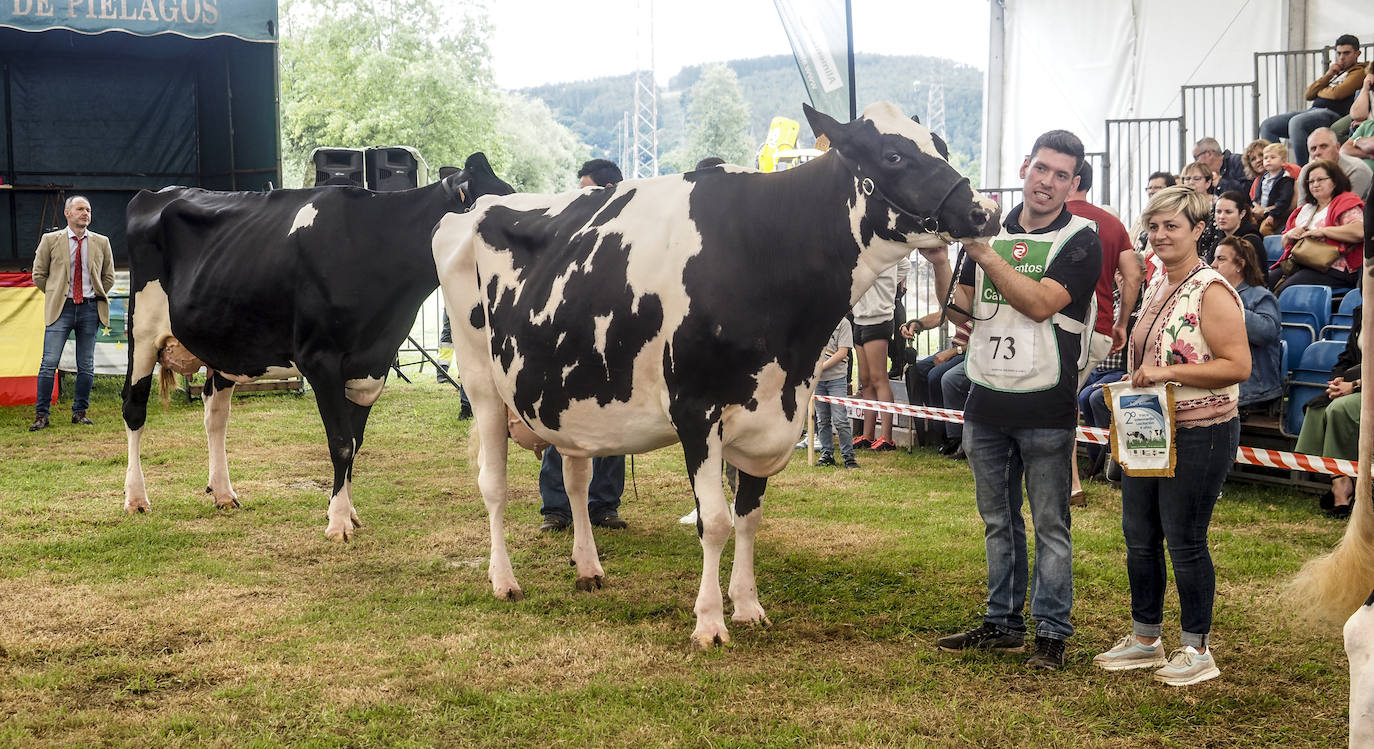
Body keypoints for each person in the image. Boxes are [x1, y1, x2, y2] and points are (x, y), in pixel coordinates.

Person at [926, 130, 1102, 670]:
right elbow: (959, 312)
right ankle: (1001, 622)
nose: (1046, 182)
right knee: (998, 522)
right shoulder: (992, 233)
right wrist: (941, 261)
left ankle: (1052, 633)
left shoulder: (1081, 238)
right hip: (986, 399)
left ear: (1074, 184)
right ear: (1025, 167)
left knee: (1051, 524)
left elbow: (1038, 304)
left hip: (1046, 404)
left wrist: (980, 250)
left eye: (1060, 175)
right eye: (1040, 168)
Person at [1093, 185, 1250, 686]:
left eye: (1172, 227)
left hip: (1201, 431)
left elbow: (1237, 366)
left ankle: (1197, 648)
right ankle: (1145, 638)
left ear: (1199, 231)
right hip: (1150, 427)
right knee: (1139, 537)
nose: (1159, 236)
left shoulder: (1212, 289)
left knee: (1184, 539)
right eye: (1154, 226)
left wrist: (1163, 374)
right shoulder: (1161, 281)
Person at [539, 159, 629, 533]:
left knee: (615, 423)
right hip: (571, 340)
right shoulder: (568, 233)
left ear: (608, 191)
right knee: (560, 422)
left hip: (617, 341)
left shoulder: (630, 234)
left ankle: (603, 505)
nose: (579, 197)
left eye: (587, 189)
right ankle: (556, 508)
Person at [1067, 161, 1141, 504]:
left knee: (1057, 406)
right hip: (1098, 330)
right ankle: (1069, 481)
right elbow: (1134, 275)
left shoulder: (1049, 214)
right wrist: (1122, 322)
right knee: (1063, 402)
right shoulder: (1112, 223)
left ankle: (1070, 483)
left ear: (1072, 178)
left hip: (1052, 325)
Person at [28, 195, 115, 431]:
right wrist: (56, 293)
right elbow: (38, 274)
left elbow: (108, 277)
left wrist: (93, 294)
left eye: (88, 209)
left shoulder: (101, 242)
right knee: (49, 363)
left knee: (86, 365)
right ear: (67, 213)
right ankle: (41, 415)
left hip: (89, 308)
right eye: (80, 209)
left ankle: (80, 412)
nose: (85, 213)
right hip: (61, 308)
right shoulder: (50, 240)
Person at [1294, 309, 1363, 518]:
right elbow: (1348, 357)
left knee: (1338, 409)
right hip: (1356, 385)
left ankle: (1347, 484)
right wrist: (1339, 380)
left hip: (1365, 388)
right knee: (1317, 409)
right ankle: (1340, 481)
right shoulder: (1363, 311)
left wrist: (1356, 385)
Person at [1259, 35, 1367, 166]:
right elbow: (1309, 93)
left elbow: (1338, 93)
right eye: (1338, 53)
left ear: (1357, 54)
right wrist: (1328, 75)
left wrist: (1320, 91)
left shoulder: (1360, 72)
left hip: (1332, 114)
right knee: (1268, 125)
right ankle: (1278, 168)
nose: (1341, 57)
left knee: (1296, 122)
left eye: (1346, 53)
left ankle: (1303, 170)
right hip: (1313, 111)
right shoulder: (1336, 72)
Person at [1268, 159, 1366, 293]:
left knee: (1289, 289)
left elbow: (1360, 232)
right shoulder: (1305, 209)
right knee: (1263, 282)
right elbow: (1285, 244)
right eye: (1311, 181)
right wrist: (1289, 235)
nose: (1315, 185)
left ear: (1335, 181)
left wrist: (1323, 232)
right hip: (1302, 263)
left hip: (1335, 268)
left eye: (1320, 180)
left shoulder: (1346, 202)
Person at [1210, 236, 1282, 413]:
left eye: (1220, 259)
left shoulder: (1260, 296)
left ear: (1239, 265)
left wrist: (1231, 307)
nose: (1213, 265)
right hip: (1221, 388)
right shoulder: (1213, 297)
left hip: (1253, 391)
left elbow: (1266, 332)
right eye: (1214, 258)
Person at [850, 254, 911, 452]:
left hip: (878, 317)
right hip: (860, 318)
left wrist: (886, 288)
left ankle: (886, 437)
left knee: (879, 378)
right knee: (866, 380)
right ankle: (867, 435)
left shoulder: (886, 250)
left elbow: (904, 265)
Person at [901, 316, 971, 454]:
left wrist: (953, 352)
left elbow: (984, 341)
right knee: (917, 371)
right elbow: (941, 315)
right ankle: (938, 429)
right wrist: (916, 324)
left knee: (939, 376)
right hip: (957, 349)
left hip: (971, 353)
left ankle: (955, 438)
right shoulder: (962, 299)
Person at [814, 318, 858, 469]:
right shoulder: (816, 323)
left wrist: (820, 367)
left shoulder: (843, 324)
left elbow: (842, 352)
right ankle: (827, 453)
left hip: (836, 378)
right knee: (822, 420)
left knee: (840, 420)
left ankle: (849, 457)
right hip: (818, 381)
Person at [1296, 127, 1372, 202]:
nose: (1317, 153)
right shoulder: (1306, 171)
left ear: (1337, 147)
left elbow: (1346, 207)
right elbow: (1302, 208)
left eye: (1323, 146)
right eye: (1313, 149)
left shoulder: (1356, 170)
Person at [1178, 162, 1224, 263]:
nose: (1191, 182)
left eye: (1196, 179)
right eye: (1187, 179)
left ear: (1208, 182)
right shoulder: (1179, 208)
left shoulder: (1218, 205)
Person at [1250, 142, 1296, 235]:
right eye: (1266, 158)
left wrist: (1272, 215)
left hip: (1277, 214)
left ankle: (1273, 247)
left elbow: (1283, 202)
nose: (1268, 160)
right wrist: (1253, 207)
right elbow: (1258, 195)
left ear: (1283, 161)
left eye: (1272, 157)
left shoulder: (1286, 179)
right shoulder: (1263, 177)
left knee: (1264, 229)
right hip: (1262, 212)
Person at [1213, 190, 1265, 261]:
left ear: (1242, 214)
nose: (1221, 216)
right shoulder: (1219, 238)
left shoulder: (1251, 241)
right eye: (1218, 211)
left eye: (1228, 212)